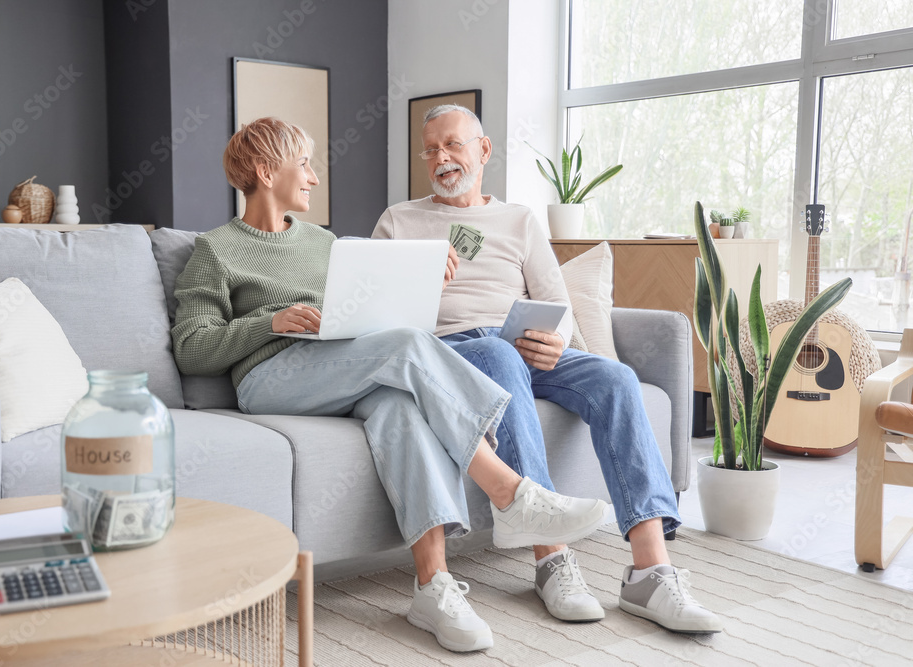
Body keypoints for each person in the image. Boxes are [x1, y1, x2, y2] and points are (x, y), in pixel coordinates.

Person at [171, 117, 610, 653]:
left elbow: (367, 316)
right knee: (403, 347)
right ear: (266, 171)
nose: (312, 177)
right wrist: (270, 321)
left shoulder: (323, 242)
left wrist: (422, 281)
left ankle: (433, 586)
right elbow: (192, 350)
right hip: (272, 379)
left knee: (399, 405)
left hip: (341, 369)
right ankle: (511, 493)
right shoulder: (216, 250)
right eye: (304, 164)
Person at [372, 104, 723, 634]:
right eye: (430, 150)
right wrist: (419, 283)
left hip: (519, 345)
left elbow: (556, 303)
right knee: (498, 355)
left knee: (617, 379)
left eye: (453, 145)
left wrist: (554, 342)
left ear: (483, 150)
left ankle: (651, 571)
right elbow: (377, 318)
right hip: (451, 352)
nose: (441, 158)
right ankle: (551, 559)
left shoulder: (518, 220)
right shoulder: (399, 220)